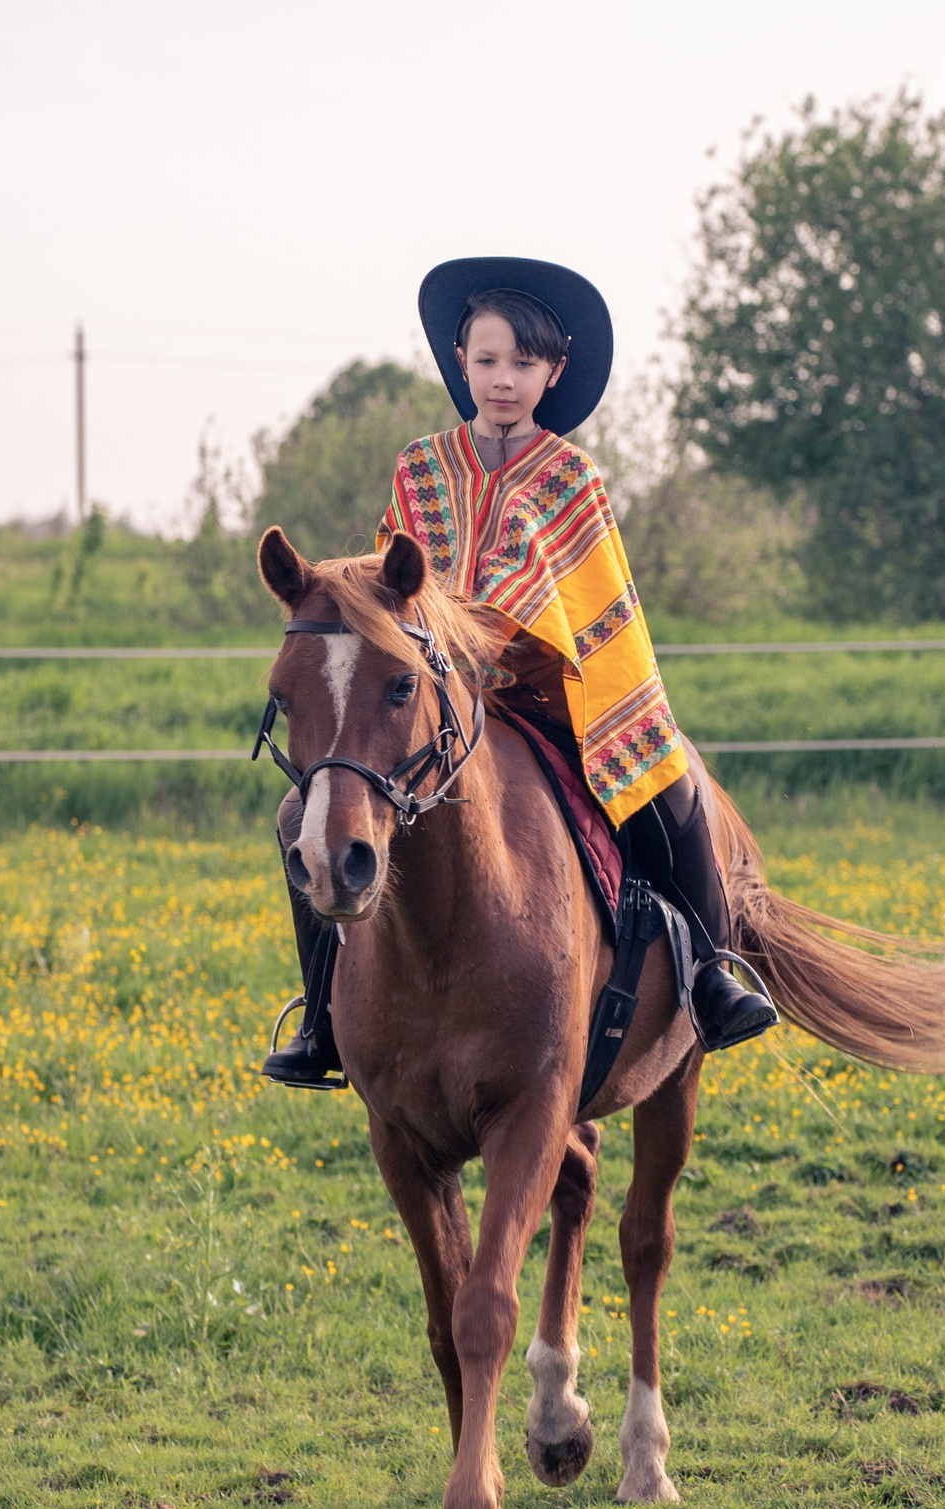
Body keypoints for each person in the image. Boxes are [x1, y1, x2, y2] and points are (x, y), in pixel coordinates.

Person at [262, 256, 778, 1090]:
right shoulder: (420, 469)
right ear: (460, 361)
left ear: (554, 372)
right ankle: (322, 1016)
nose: (505, 380)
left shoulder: (572, 478)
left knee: (672, 788)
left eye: (524, 364)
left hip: (558, 699)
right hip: (435, 705)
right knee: (300, 813)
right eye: (488, 360)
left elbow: (595, 607)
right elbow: (390, 597)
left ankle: (710, 978)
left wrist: (510, 639)